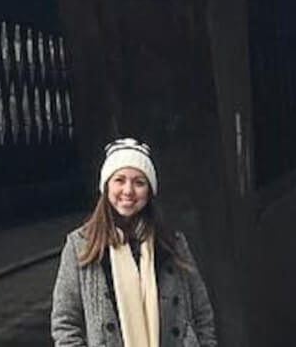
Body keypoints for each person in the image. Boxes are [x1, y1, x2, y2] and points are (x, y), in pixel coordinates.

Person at [51, 138, 218, 347]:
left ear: (149, 190)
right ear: (106, 186)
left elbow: (202, 313)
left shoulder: (172, 242)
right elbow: (65, 323)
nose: (128, 191)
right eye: (119, 180)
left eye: (139, 182)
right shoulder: (81, 245)